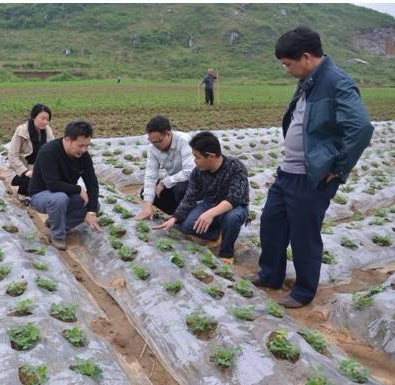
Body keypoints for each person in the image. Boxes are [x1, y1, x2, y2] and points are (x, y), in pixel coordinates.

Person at [251, 26, 374, 308]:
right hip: (288, 172)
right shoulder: (309, 80)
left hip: (312, 177)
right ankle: (270, 275)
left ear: (306, 57)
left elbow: (362, 128)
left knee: (304, 236)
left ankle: (303, 292)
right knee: (271, 223)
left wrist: (339, 167)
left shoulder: (337, 81)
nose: (286, 69)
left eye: (287, 64)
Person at [153, 131, 249, 259]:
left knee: (232, 219)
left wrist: (209, 214)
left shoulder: (235, 166)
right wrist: (174, 218)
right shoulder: (198, 172)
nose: (194, 161)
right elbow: (190, 198)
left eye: (197, 157)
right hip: (209, 204)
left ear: (211, 156)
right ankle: (217, 233)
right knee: (186, 226)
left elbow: (234, 198)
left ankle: (227, 253)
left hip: (234, 207)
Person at [29, 120, 101, 250]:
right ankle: (58, 235)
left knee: (94, 205)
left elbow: (92, 183)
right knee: (59, 198)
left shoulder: (83, 156)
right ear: (68, 139)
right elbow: (53, 185)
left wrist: (91, 212)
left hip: (65, 194)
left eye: (87, 146)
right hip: (41, 195)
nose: (83, 150)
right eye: (80, 145)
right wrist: (78, 189)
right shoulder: (48, 152)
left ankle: (57, 223)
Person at [135, 115, 195, 220]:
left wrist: (164, 182)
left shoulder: (184, 141)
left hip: (193, 184)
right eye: (152, 141)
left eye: (158, 142)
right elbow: (150, 176)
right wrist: (147, 206)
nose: (155, 145)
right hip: (173, 183)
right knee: (147, 192)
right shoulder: (153, 148)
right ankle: (177, 214)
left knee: (181, 189)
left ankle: (187, 216)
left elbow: (190, 172)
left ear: (168, 134)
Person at [7, 104, 54, 203]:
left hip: (36, 168)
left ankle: (34, 191)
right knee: (31, 180)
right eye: (42, 118)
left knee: (52, 182)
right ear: (34, 116)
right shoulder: (22, 131)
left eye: (47, 119)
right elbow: (12, 155)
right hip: (18, 170)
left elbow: (52, 151)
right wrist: (25, 171)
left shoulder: (48, 131)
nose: (45, 122)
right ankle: (22, 194)